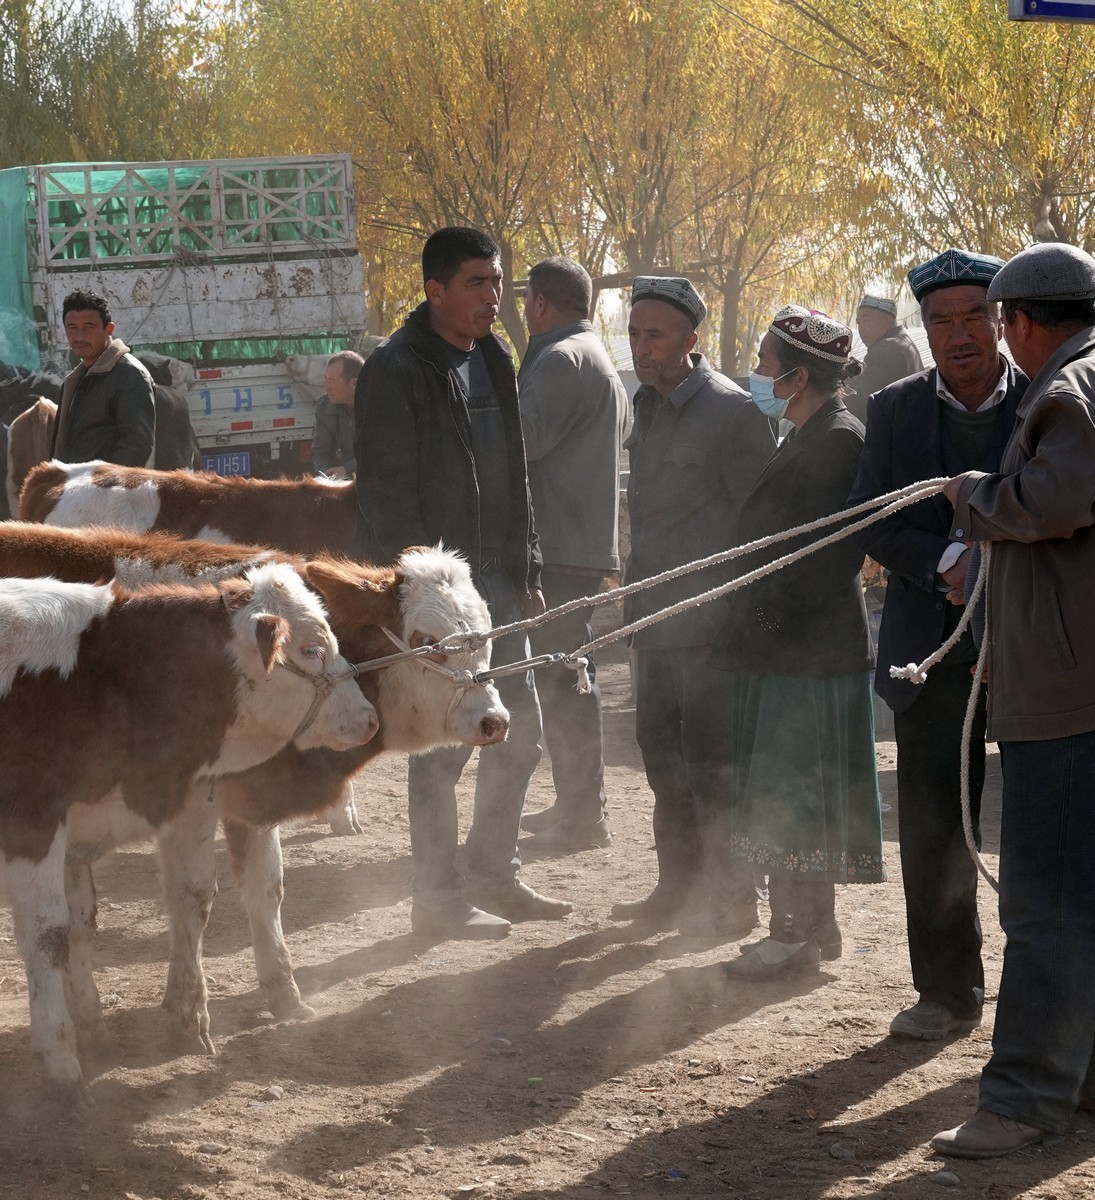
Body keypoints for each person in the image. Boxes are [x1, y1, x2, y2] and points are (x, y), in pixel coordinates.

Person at [353, 225, 569, 939]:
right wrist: (419, 600)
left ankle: (493, 873)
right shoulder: (396, 368)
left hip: (500, 586)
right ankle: (437, 900)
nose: (493, 297)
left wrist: (529, 567)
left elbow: (517, 478)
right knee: (443, 750)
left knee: (522, 732)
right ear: (434, 289)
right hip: (438, 599)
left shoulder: (496, 359)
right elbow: (385, 498)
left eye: (497, 282)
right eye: (477, 283)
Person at [930, 242, 1095, 1158]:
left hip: (1068, 697)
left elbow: (1061, 495)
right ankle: (1075, 1082)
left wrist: (975, 497)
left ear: (1021, 323)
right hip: (1072, 681)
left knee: (1045, 908)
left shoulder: (1070, 390)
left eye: (996, 321)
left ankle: (1025, 1098)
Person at [849, 248, 1027, 1041]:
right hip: (929, 648)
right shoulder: (891, 409)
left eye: (971, 317)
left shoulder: (1050, 399)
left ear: (1000, 320)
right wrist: (942, 561)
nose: (958, 335)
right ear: (923, 330)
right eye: (940, 321)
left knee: (1034, 826)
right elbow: (872, 518)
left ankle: (1037, 1001)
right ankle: (945, 991)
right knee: (931, 821)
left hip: (1031, 652)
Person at [711, 305, 883, 981]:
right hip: (786, 648)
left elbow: (824, 562)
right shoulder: (806, 434)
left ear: (798, 374)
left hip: (804, 653)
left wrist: (767, 624)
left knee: (791, 792)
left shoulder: (837, 441)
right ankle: (815, 926)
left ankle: (791, 934)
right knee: (795, 788)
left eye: (764, 362)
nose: (756, 374)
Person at [611, 275, 775, 936]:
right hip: (654, 621)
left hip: (712, 628)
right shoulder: (644, 406)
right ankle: (675, 890)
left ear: (690, 340)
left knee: (714, 763)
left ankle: (734, 900)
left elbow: (760, 528)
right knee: (661, 754)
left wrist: (750, 623)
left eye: (654, 335)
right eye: (633, 333)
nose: (641, 347)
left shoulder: (731, 413)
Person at [516, 256, 628, 851]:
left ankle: (584, 818)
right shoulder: (593, 354)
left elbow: (519, 442)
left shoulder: (559, 360)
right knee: (565, 678)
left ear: (540, 303)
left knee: (564, 683)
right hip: (578, 543)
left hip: (559, 546)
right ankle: (577, 805)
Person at [50, 288, 155, 466]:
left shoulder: (129, 374)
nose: (79, 336)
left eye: (88, 327)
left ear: (109, 329)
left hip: (106, 491)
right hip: (76, 489)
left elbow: (137, 446)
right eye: (72, 328)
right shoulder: (75, 379)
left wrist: (100, 488)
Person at [844, 295, 923, 422]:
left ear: (886, 320)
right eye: (859, 323)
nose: (861, 329)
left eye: (866, 321)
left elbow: (860, 400)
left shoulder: (885, 350)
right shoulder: (903, 341)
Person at [312, 350, 363, 479]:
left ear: (354, 383)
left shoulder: (379, 406)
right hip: (341, 482)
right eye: (326, 380)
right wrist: (326, 473)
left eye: (332, 381)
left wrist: (347, 469)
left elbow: (380, 452)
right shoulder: (324, 406)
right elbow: (320, 450)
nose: (327, 387)